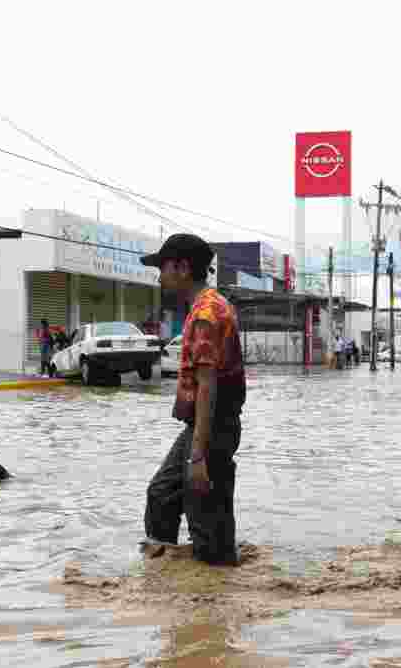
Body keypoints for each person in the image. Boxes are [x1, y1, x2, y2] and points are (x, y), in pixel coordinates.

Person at [140, 234, 246, 566]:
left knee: (206, 518)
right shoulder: (208, 307)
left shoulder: (206, 313)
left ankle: (213, 598)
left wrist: (198, 457)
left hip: (211, 427)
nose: (159, 275)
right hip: (206, 426)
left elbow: (207, 384)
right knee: (163, 494)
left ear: (183, 268)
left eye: (163, 267)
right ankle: (168, 581)